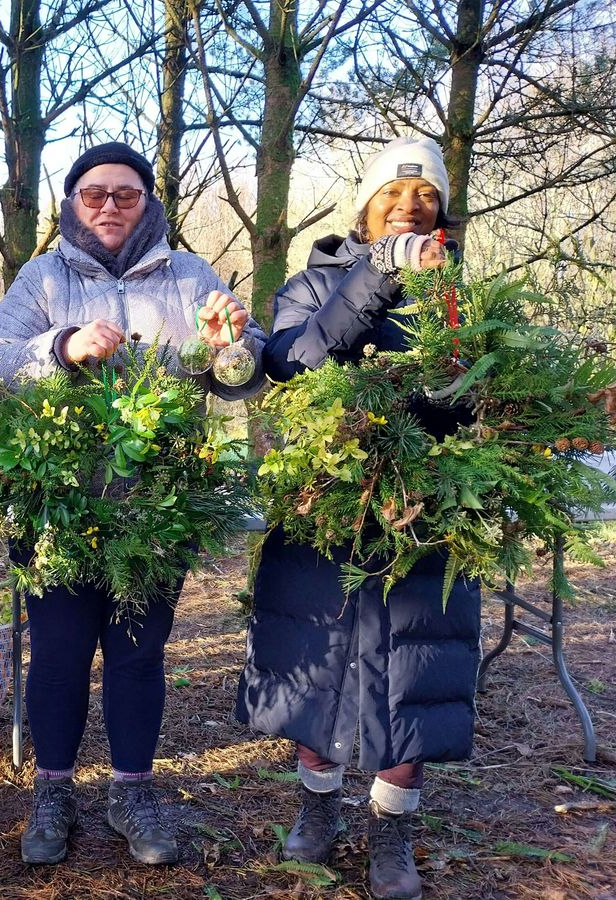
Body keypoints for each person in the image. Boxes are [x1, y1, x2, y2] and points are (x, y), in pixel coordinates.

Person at [0, 141, 267, 866]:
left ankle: (132, 790)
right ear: (73, 203)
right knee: (60, 656)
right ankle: (53, 791)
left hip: (157, 508)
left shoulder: (189, 274)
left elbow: (242, 370)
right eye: (94, 193)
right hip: (56, 508)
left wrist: (233, 343)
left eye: (126, 194)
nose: (109, 205)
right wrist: (63, 346)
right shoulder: (41, 278)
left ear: (148, 203)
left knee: (139, 656)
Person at [235, 136, 479, 900]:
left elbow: (469, 396)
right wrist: (376, 276)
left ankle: (392, 830)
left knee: (411, 669)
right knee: (320, 660)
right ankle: (318, 808)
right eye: (394, 197)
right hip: (325, 503)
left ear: (441, 215)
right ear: (368, 208)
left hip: (420, 509)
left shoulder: (458, 293)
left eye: (426, 198)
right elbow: (301, 364)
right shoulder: (314, 281)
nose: (410, 207)